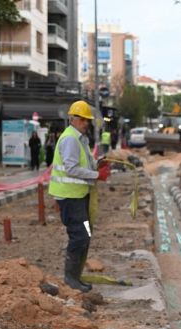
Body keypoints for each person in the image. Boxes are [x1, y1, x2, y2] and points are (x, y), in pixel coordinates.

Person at [49, 100, 111, 292]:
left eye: (87, 120)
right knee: (80, 236)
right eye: (83, 120)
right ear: (73, 119)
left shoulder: (80, 139)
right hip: (70, 198)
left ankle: (75, 276)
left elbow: (84, 164)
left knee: (85, 233)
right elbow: (71, 168)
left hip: (79, 196)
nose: (86, 123)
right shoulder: (69, 139)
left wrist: (97, 165)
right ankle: (70, 278)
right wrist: (96, 175)